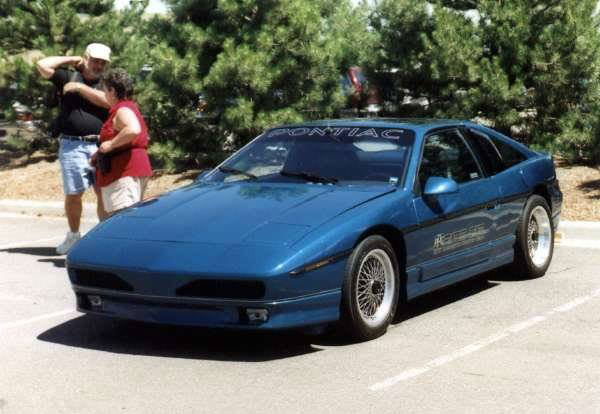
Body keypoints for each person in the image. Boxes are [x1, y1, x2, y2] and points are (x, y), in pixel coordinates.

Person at [36, 43, 112, 254]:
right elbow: (42, 65)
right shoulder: (67, 76)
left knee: (102, 192)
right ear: (86, 58)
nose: (98, 65)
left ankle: (102, 238)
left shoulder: (107, 83)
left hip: (101, 145)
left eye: (102, 62)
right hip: (72, 145)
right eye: (95, 60)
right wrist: (71, 60)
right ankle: (73, 236)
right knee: (73, 193)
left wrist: (79, 88)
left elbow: (108, 102)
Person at [94, 68, 152, 216]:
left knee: (122, 220)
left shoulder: (122, 110)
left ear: (112, 90)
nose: (105, 94)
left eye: (105, 90)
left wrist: (110, 145)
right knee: (130, 219)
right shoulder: (130, 107)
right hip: (134, 169)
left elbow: (133, 129)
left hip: (123, 173)